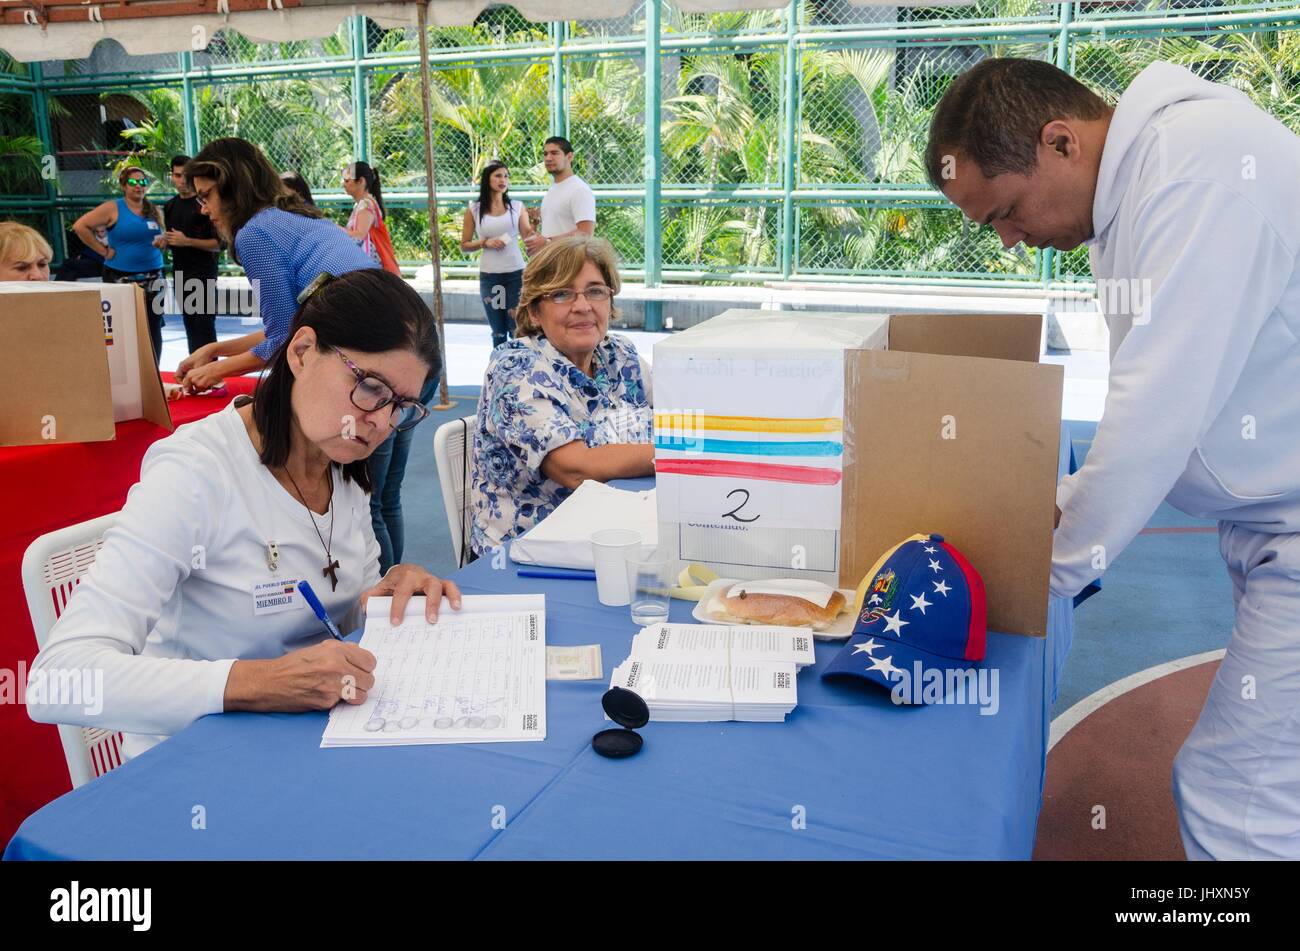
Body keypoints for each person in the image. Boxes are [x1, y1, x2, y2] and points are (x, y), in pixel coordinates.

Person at [926, 57, 1300, 860]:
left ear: (1060, 143)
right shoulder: (1141, 186)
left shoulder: (1195, 176)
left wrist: (1016, 580)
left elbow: (1150, 418)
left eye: (1008, 212)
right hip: (1269, 520)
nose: (1013, 240)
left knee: (1237, 793)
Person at [26, 268, 459, 762]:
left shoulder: (338, 461)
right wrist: (261, 681)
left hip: (312, 736)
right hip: (203, 756)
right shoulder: (197, 471)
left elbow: (349, 600)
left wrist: (387, 589)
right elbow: (59, 680)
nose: (381, 422)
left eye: (401, 407)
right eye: (371, 388)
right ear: (301, 352)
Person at [470, 236, 653, 557]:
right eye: (561, 293)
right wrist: (682, 452)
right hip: (528, 553)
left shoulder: (619, 354)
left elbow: (681, 415)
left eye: (595, 291)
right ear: (535, 312)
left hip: (612, 530)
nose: (582, 305)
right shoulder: (516, 370)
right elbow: (576, 468)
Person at [176, 138, 377, 394]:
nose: (204, 210)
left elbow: (282, 342)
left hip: (373, 369)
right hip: (406, 349)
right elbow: (291, 329)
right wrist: (215, 350)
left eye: (206, 197)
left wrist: (215, 370)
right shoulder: (299, 215)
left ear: (233, 189)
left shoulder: (255, 234)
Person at [72, 166, 168, 364]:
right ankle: (126, 373)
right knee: (123, 327)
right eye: (133, 182)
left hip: (153, 275)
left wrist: (163, 242)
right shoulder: (113, 208)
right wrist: (103, 251)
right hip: (120, 275)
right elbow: (80, 226)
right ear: (124, 186)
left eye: (142, 182)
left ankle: (153, 372)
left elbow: (163, 237)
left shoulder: (154, 210)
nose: (138, 186)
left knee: (153, 326)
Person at [461, 160, 534, 348]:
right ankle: (500, 372)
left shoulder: (516, 207)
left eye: (506, 176)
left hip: (515, 275)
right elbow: (465, 244)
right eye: (498, 175)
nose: (503, 180)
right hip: (491, 276)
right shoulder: (474, 210)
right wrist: (485, 242)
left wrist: (534, 222)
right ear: (488, 179)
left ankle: (521, 371)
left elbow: (528, 237)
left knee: (516, 328)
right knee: (499, 331)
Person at [163, 154, 223, 354]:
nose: (182, 180)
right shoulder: (170, 205)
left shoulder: (205, 205)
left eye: (186, 175)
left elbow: (219, 244)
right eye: (178, 175)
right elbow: (173, 239)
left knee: (204, 325)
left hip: (203, 273)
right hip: (180, 272)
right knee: (189, 325)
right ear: (171, 176)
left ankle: (211, 376)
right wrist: (164, 242)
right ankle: (196, 373)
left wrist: (186, 241)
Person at [523, 136, 595, 256]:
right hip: (552, 263)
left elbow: (585, 233)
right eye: (545, 154)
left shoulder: (579, 189)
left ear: (570, 156)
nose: (548, 158)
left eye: (554, 153)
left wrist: (547, 242)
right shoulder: (554, 188)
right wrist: (535, 223)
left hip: (569, 265)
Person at [341, 160, 399, 275]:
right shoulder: (362, 204)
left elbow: (359, 235)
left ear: (361, 181)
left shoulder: (366, 204)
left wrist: (334, 229)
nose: (344, 184)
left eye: (347, 181)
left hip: (371, 268)